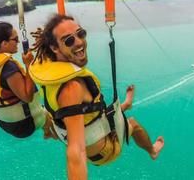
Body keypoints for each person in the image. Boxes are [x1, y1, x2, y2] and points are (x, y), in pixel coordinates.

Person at [29, 14, 164, 180]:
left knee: (98, 113)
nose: (79, 42)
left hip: (71, 128)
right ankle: (153, 150)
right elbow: (76, 152)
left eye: (81, 34)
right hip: (103, 151)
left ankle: (125, 105)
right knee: (134, 124)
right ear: (55, 48)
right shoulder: (72, 88)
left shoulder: (47, 69)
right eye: (69, 40)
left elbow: (93, 118)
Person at [0, 22, 54, 139]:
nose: (19, 42)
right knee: (51, 114)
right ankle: (51, 132)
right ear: (4, 43)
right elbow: (27, 97)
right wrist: (28, 65)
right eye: (15, 39)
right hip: (24, 125)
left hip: (4, 123)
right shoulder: (8, 68)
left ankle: (46, 131)